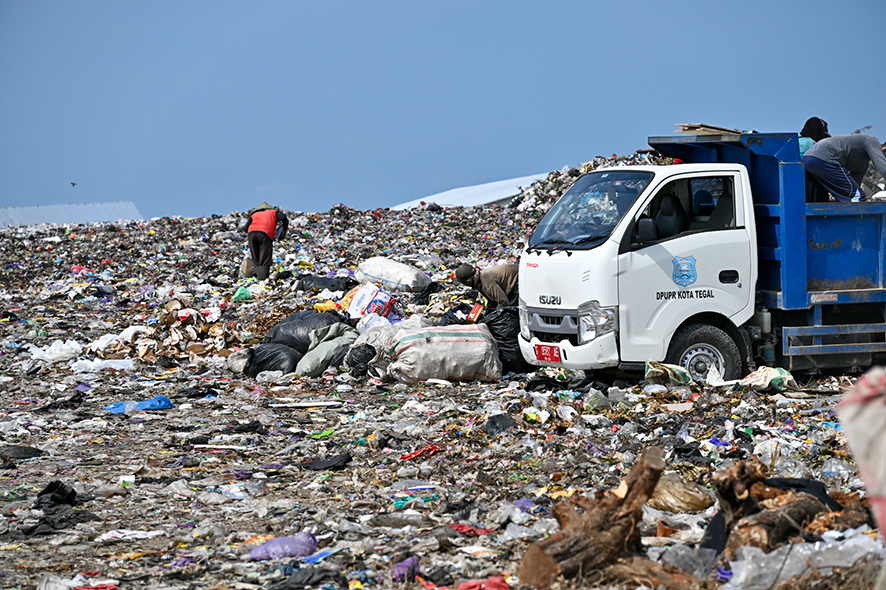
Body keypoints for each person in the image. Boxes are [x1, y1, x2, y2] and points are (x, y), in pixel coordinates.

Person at [802, 134, 886, 203]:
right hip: (824, 157)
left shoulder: (862, 164)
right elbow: (883, 168)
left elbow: (852, 185)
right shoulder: (871, 140)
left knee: (819, 203)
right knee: (857, 197)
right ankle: (856, 223)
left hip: (807, 159)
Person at [240, 202, 289, 280]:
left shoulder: (254, 214)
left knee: (256, 256)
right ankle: (262, 279)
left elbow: (245, 228)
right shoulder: (274, 212)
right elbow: (283, 217)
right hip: (265, 233)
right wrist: (284, 225)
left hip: (251, 234)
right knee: (265, 257)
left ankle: (256, 275)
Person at [454, 263, 519, 309]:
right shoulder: (479, 280)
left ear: (468, 281)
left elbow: (504, 302)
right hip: (513, 283)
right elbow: (491, 301)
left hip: (519, 282)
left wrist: (494, 314)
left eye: (463, 283)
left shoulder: (487, 283)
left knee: (512, 309)